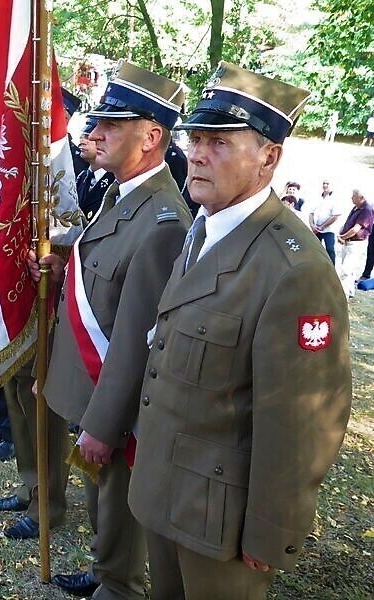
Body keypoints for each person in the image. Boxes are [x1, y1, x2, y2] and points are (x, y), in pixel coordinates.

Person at [128, 61, 352, 600]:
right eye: (196, 138)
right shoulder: (203, 225)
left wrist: (270, 533)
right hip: (166, 492)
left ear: (269, 158)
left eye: (221, 143)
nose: (198, 154)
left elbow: (302, 425)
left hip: (222, 524)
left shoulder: (294, 270)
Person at [32, 60, 191, 598]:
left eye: (111, 124)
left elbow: (136, 340)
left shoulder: (163, 219)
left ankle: (117, 584)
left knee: (118, 508)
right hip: (90, 389)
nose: (93, 133)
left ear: (151, 137)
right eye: (96, 122)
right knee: (102, 503)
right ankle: (106, 570)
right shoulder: (120, 193)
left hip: (115, 407)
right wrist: (65, 268)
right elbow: (106, 282)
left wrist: (102, 424)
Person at [336, 189, 373, 298]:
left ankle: (343, 296)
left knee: (346, 271)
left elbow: (355, 229)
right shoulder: (356, 207)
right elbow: (348, 223)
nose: (351, 198)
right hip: (348, 242)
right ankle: (350, 292)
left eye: (354, 196)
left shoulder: (366, 210)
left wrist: (342, 237)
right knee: (349, 272)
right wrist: (341, 233)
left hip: (355, 244)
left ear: (361, 198)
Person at [309, 179, 342, 264]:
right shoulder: (317, 198)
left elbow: (335, 216)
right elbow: (311, 213)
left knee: (330, 249)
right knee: (315, 249)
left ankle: (332, 270)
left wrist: (322, 227)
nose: (325, 185)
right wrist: (312, 226)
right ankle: (316, 267)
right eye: (324, 183)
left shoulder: (335, 199)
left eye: (327, 183)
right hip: (316, 229)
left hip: (328, 230)